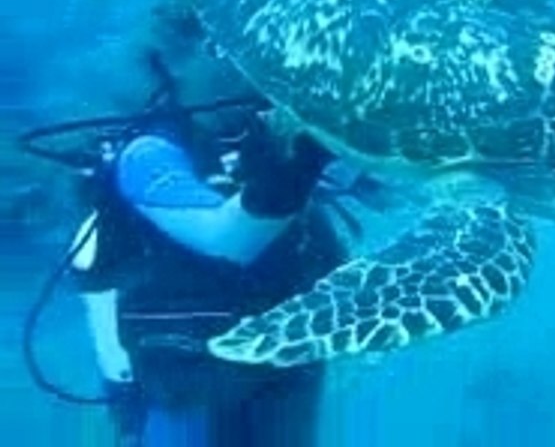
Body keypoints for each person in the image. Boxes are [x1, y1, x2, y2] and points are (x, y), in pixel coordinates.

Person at [60, 54, 360, 446]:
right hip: (183, 376)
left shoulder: (274, 131)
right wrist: (305, 159)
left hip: (283, 367)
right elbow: (228, 238)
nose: (246, 70)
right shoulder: (146, 154)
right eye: (221, 49)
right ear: (175, 61)